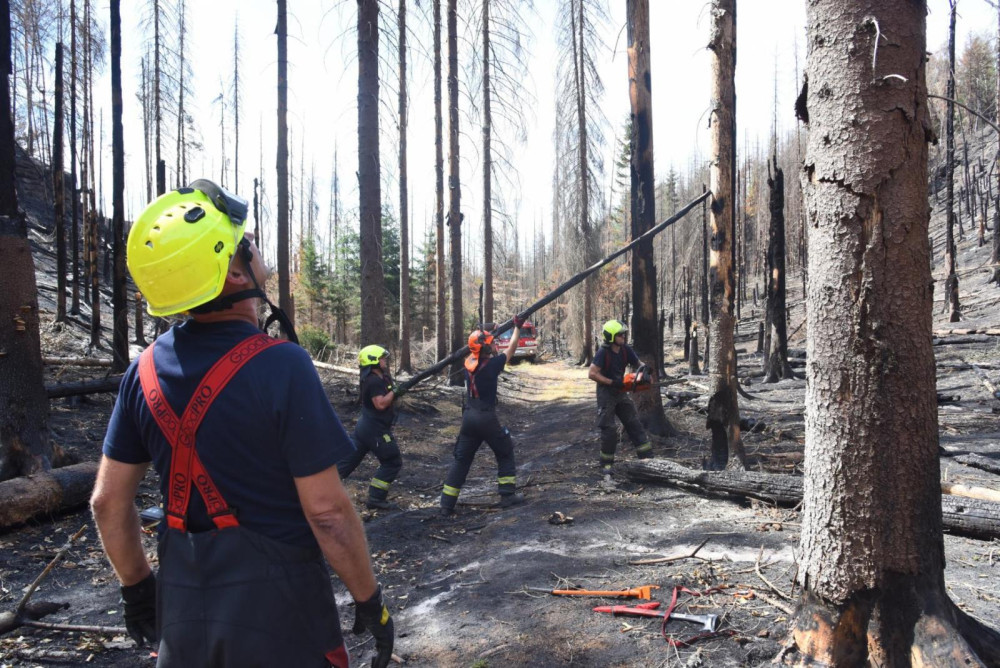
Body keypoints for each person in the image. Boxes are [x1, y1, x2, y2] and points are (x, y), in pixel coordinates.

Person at [90, 179, 394, 668]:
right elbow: (328, 513)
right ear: (234, 272)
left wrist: (138, 591)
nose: (253, 246)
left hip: (183, 622)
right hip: (282, 625)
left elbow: (107, 501)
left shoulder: (140, 373)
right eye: (244, 242)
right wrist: (370, 601)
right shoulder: (283, 366)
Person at [439, 317, 526, 517]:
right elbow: (511, 349)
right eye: (492, 343)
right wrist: (517, 328)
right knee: (505, 451)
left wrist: (490, 330)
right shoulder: (492, 365)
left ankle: (446, 504)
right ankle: (507, 495)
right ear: (487, 349)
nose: (495, 345)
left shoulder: (468, 363)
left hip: (469, 418)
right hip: (486, 418)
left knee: (461, 460)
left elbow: (478, 344)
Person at [337, 345, 405, 510]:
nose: (385, 361)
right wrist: (395, 393)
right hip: (374, 429)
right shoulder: (373, 381)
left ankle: (321, 490)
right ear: (373, 360)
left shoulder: (380, 377)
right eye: (382, 358)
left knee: (346, 464)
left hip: (365, 427)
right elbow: (380, 404)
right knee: (392, 461)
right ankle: (376, 497)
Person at [588, 319, 653, 474]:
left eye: (624, 334)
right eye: (620, 335)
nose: (623, 337)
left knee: (633, 423)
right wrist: (611, 382)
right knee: (609, 430)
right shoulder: (603, 352)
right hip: (606, 393)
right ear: (611, 336)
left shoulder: (625, 349)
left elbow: (637, 362)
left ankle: (648, 459)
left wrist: (644, 370)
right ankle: (606, 466)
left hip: (621, 391)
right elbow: (592, 373)